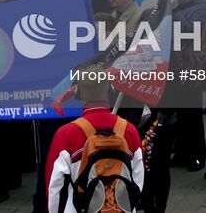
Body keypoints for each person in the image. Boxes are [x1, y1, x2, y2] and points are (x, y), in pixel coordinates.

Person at [45, 77, 144, 213]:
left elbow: (53, 187)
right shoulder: (129, 130)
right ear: (109, 90)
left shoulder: (65, 133)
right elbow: (138, 178)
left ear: (78, 94)